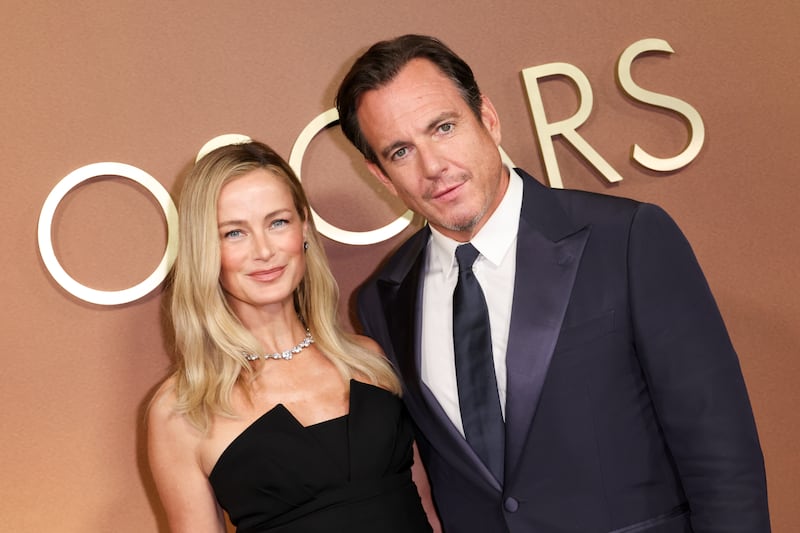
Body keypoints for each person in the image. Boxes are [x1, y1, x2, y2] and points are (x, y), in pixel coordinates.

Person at [335, 34, 770, 532]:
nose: (434, 167)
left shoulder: (625, 239)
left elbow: (722, 457)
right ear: (382, 176)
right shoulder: (383, 300)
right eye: (400, 151)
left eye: (444, 127)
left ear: (489, 119)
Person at [147, 140, 433, 533]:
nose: (263, 250)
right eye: (233, 233)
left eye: (277, 222)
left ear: (303, 229)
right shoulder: (184, 408)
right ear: (205, 251)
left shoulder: (369, 361)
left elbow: (428, 516)